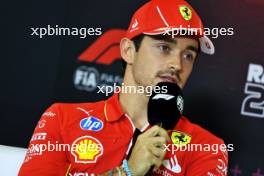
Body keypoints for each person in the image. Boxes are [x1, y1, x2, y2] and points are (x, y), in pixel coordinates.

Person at [19, 0, 228, 175]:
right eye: (164, 47)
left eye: (188, 55)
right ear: (128, 51)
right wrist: (127, 171)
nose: (177, 64)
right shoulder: (61, 119)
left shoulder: (206, 148)